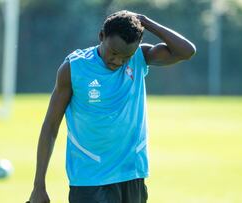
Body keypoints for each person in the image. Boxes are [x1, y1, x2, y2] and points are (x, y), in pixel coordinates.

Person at [28, 10, 196, 203]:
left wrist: (146, 22)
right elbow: (50, 126)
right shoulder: (74, 68)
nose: (118, 61)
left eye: (126, 57)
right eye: (114, 53)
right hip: (89, 178)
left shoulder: (139, 58)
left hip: (132, 173)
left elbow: (187, 51)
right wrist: (38, 185)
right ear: (101, 36)